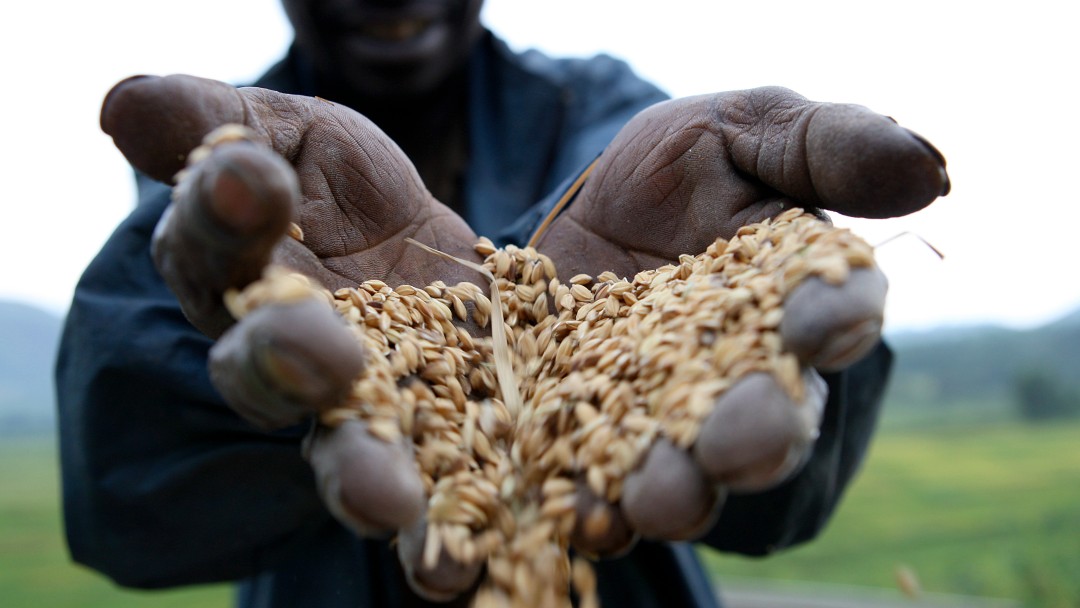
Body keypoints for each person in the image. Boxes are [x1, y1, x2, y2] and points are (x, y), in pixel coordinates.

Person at [56, 1, 950, 606]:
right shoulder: (234, 163)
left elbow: (778, 440)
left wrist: (720, 311)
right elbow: (121, 494)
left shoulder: (597, 110)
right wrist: (301, 393)